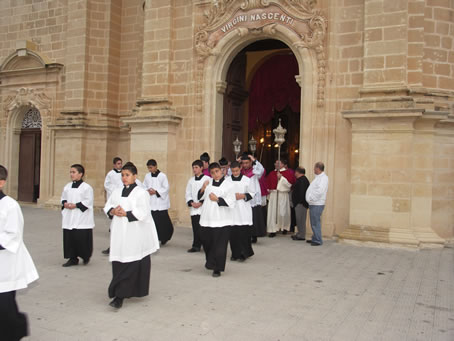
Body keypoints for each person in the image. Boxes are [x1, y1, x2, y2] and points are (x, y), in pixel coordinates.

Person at [104, 162, 160, 309]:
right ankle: (119, 292)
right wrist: (112, 211)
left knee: (130, 263)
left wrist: (126, 213)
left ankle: (119, 296)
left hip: (134, 232)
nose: (124, 178)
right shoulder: (116, 191)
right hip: (118, 231)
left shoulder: (141, 193)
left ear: (135, 176)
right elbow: (108, 205)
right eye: (122, 175)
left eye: (127, 175)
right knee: (118, 260)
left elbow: (143, 212)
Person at [0, 165, 39, 340]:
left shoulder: (10, 206)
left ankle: (16, 330)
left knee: (5, 306)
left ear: (1, 182)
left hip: (5, 266)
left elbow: (13, 236)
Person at [198, 162, 235, 277]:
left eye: (217, 171)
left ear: (221, 171)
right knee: (207, 242)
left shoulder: (229, 185)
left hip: (222, 220)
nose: (216, 174)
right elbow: (200, 197)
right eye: (213, 173)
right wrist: (203, 189)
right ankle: (211, 262)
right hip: (207, 218)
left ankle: (217, 268)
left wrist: (217, 199)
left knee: (220, 246)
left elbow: (231, 202)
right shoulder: (208, 184)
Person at [61, 164, 95, 267]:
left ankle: (85, 256)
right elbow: (63, 198)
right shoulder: (67, 186)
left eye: (74, 172)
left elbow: (88, 201)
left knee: (81, 238)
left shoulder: (86, 187)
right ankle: (72, 258)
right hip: (69, 217)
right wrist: (65, 203)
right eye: (70, 172)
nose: (71, 174)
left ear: (81, 174)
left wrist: (76, 205)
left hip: (81, 217)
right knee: (70, 237)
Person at [143, 159, 174, 245]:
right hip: (152, 202)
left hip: (161, 203)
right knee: (154, 221)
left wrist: (156, 192)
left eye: (151, 167)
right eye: (148, 168)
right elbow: (144, 186)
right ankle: (154, 238)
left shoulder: (162, 176)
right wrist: (148, 190)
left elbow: (166, 188)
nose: (150, 170)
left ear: (155, 166)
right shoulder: (147, 176)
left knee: (163, 222)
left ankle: (164, 237)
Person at [228, 161, 254, 261]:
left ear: (240, 168)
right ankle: (235, 253)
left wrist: (242, 196)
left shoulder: (247, 180)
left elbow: (252, 193)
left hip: (243, 209)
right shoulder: (227, 181)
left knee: (243, 233)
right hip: (232, 210)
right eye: (233, 171)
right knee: (233, 234)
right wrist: (232, 196)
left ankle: (244, 253)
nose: (235, 173)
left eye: (237, 170)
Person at [185, 160, 210, 253]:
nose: (194, 169)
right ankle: (196, 246)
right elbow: (188, 193)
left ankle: (206, 245)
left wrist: (201, 202)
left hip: (203, 207)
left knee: (204, 228)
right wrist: (191, 202)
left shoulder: (207, 179)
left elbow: (209, 193)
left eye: (196, 167)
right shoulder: (191, 180)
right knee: (195, 228)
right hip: (194, 207)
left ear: (201, 168)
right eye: (193, 168)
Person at [240, 152, 266, 243]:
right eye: (243, 163)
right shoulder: (240, 171)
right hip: (243, 197)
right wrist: (237, 161)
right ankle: (245, 235)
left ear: (250, 162)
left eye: (247, 163)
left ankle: (254, 235)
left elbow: (261, 170)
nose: (245, 165)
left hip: (253, 198)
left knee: (254, 217)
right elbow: (230, 173)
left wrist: (254, 160)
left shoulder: (255, 171)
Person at [266, 159, 296, 237]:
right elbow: (268, 183)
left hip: (283, 194)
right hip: (274, 194)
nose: (276, 165)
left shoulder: (288, 173)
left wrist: (281, 178)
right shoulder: (272, 173)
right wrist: (268, 191)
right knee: (273, 213)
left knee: (283, 212)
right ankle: (273, 230)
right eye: (275, 163)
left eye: (278, 163)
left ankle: (284, 227)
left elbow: (290, 184)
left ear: (283, 164)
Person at [102, 157, 123, 255]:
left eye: (120, 163)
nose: (120, 165)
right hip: (114, 197)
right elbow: (107, 185)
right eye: (118, 164)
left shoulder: (124, 173)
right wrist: (115, 190)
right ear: (114, 164)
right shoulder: (110, 174)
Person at [306, 162, 329, 246]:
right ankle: (315, 237)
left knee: (315, 222)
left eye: (314, 168)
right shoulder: (319, 177)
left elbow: (320, 191)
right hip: (314, 203)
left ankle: (318, 240)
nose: (313, 169)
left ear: (318, 168)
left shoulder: (323, 178)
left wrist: (311, 198)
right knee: (313, 222)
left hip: (317, 203)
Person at [291, 167, 310, 241]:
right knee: (299, 220)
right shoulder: (302, 180)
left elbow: (302, 193)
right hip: (300, 204)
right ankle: (300, 233)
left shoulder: (302, 180)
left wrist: (299, 202)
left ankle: (301, 235)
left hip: (300, 204)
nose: (295, 173)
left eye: (295, 172)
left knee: (300, 220)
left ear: (298, 172)